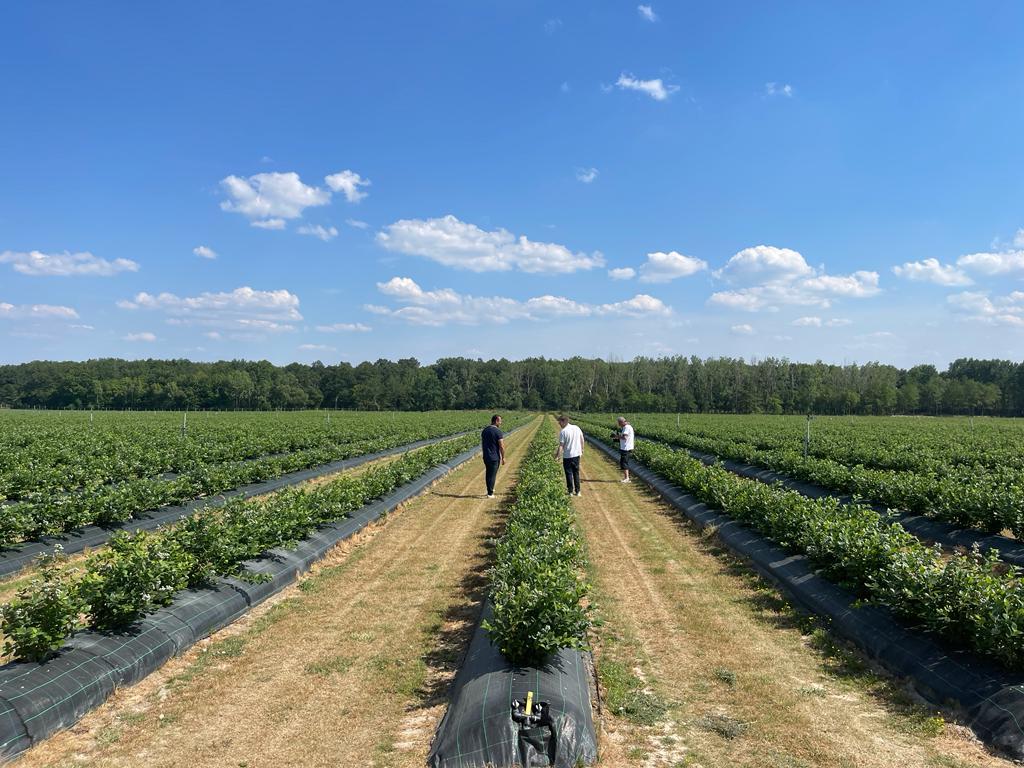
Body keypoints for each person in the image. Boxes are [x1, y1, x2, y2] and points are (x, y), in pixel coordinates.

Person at [553, 415, 585, 496]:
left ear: (563, 422)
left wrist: (557, 456)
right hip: (577, 455)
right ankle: (578, 492)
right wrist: (582, 449)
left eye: (559, 422)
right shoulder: (576, 428)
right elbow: (582, 439)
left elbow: (561, 446)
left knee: (568, 473)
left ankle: (570, 491)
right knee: (576, 473)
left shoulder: (563, 432)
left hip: (568, 456)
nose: (558, 423)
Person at [481, 414, 505, 498]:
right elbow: (501, 446)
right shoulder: (498, 431)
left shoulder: (485, 430)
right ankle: (490, 493)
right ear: (496, 421)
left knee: (488, 474)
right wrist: (503, 457)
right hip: (494, 457)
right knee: (492, 475)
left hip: (486, 456)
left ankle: (490, 489)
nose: (501, 423)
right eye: (500, 421)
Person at [613, 416, 635, 483]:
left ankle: (627, 478)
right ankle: (626, 478)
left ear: (622, 422)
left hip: (626, 448)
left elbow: (624, 437)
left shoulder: (626, 427)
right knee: (623, 462)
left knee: (624, 463)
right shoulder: (626, 427)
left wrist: (616, 436)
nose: (619, 425)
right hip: (625, 447)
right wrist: (617, 438)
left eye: (619, 423)